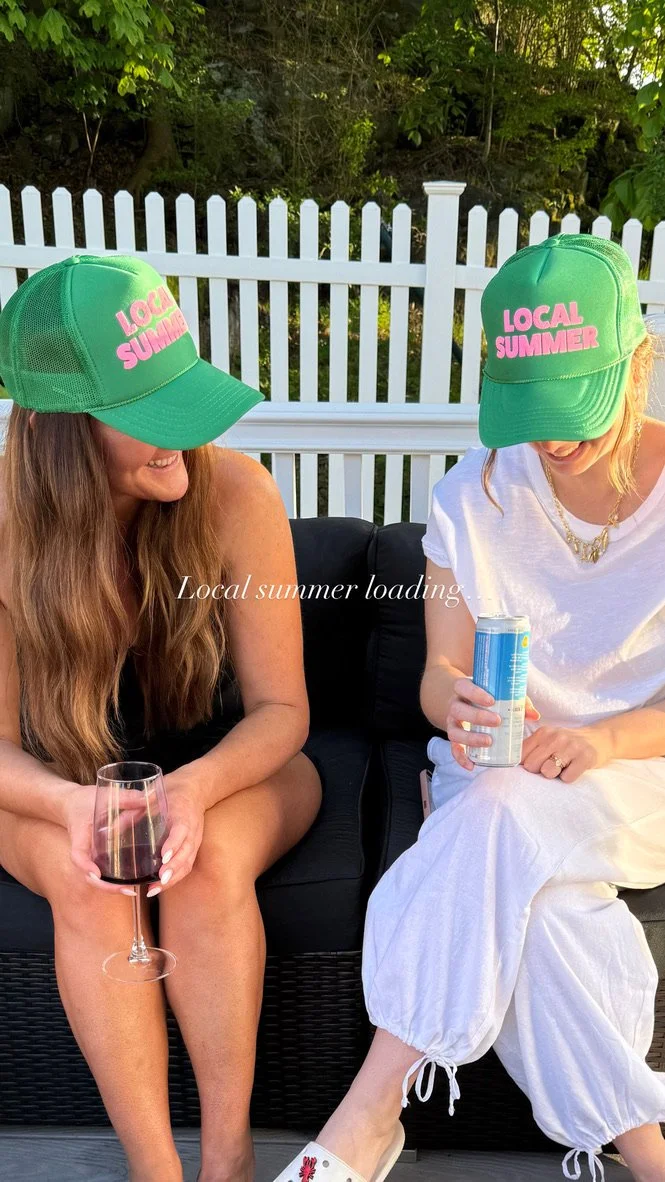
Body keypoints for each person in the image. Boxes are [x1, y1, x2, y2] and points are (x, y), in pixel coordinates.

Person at [274, 233, 665, 1182]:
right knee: (539, 890)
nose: (551, 435)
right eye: (528, 408)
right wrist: (461, 707)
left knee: (491, 821)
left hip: (629, 768)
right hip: (497, 764)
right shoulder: (472, 493)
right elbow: (437, 673)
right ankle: (650, 1152)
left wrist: (602, 734)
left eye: (574, 402)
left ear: (636, 359)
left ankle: (368, 1113)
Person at [0, 254, 322, 1182]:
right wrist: (70, 809)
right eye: (146, 414)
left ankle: (225, 1160)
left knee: (207, 858)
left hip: (233, 768)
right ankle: (157, 1171)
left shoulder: (236, 495)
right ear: (65, 432)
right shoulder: (10, 534)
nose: (180, 435)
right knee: (92, 878)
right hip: (57, 788)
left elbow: (283, 710)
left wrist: (193, 788)